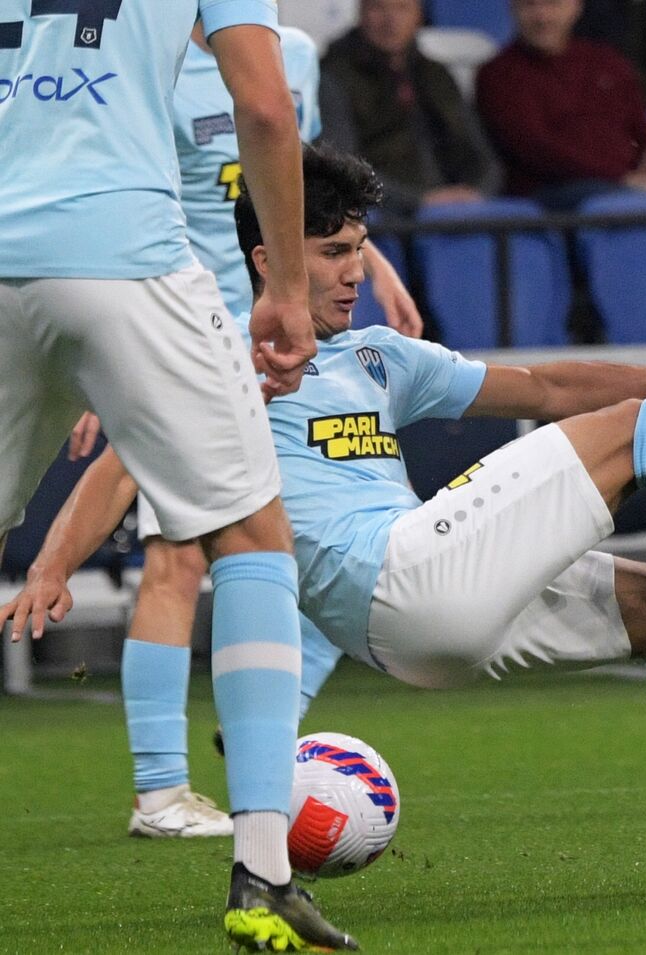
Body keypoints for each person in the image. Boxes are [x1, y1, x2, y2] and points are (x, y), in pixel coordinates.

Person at [7, 143, 646, 887]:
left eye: (359, 250)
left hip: (427, 614)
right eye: (333, 252)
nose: (354, 272)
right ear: (267, 258)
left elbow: (539, 383)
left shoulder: (375, 359)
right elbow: (121, 463)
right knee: (632, 435)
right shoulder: (221, 357)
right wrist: (51, 564)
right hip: (398, 582)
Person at [0, 2, 354, 950]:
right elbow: (268, 110)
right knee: (249, 535)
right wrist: (284, 284)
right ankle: (264, 872)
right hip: (128, 258)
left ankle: (164, 788)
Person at [46, 20, 424, 843]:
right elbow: (116, 193)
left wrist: (372, 267)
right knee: (177, 554)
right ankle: (159, 791)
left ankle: (262, 732)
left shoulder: (291, 53)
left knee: (311, 530)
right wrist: (103, 347)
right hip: (180, 326)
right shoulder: (143, 46)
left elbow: (310, 176)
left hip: (281, 332)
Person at [475, 0, 646, 208]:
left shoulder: (607, 62)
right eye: (530, 5)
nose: (542, 17)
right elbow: (537, 151)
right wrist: (620, 179)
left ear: (576, 7)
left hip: (624, 186)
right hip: (552, 194)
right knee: (622, 206)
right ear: (512, 9)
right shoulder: (498, 75)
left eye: (553, 5)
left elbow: (638, 122)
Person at [320, 0, 501, 215]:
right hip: (382, 212)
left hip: (454, 207)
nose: (391, 20)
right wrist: (419, 201)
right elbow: (343, 165)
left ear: (419, 16)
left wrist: (476, 192)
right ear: (361, 13)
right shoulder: (333, 76)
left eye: (402, 8)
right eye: (379, 8)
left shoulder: (436, 75)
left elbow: (480, 153)